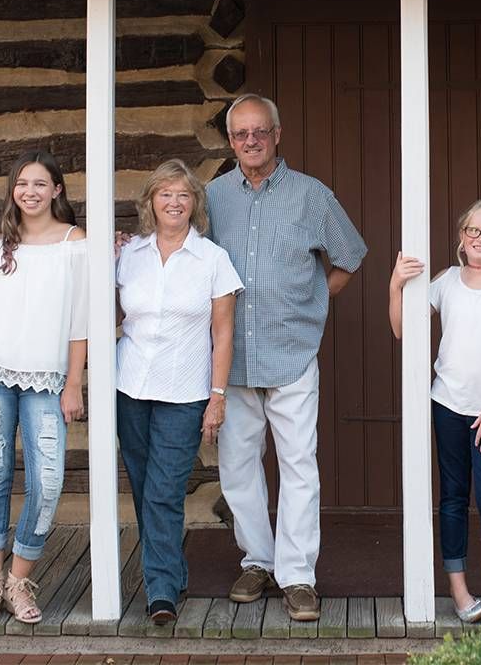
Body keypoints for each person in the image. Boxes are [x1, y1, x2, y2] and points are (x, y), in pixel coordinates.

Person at [207, 94, 367, 622]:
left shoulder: (311, 196)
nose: (250, 141)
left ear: (277, 134)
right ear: (230, 141)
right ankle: (257, 560)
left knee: (299, 467)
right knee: (238, 467)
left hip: (293, 354)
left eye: (259, 131)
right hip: (232, 361)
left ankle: (297, 575)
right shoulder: (210, 198)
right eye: (240, 134)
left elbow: (348, 256)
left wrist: (314, 303)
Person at [388, 198, 481, 626]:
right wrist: (395, 286)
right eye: (474, 230)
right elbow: (404, 331)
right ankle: (457, 588)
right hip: (448, 407)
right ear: (461, 236)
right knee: (453, 498)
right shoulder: (446, 281)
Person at [0, 150, 88, 626]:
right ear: (12, 190)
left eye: (39, 183)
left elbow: (80, 324)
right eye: (21, 183)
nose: (29, 191)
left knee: (47, 482)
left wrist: (75, 382)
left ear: (57, 190)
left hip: (48, 381)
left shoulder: (78, 245)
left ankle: (19, 578)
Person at [116, 159, 242, 625]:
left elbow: (223, 333)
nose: (174, 202)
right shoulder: (128, 255)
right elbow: (103, 310)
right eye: (165, 194)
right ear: (151, 201)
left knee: (164, 491)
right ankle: (170, 571)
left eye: (183, 195)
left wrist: (217, 394)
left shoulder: (213, 260)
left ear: (195, 204)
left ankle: (161, 590)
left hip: (185, 390)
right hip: (128, 385)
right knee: (144, 484)